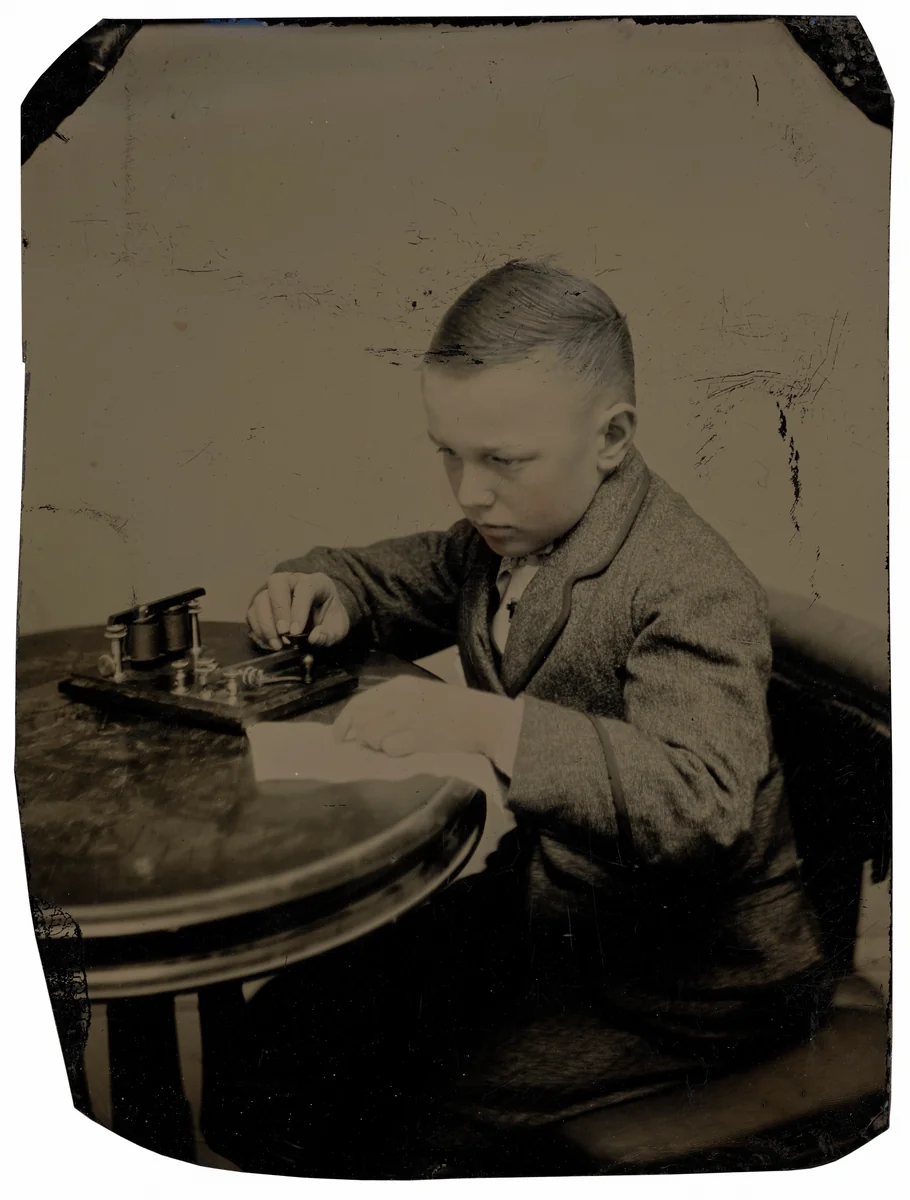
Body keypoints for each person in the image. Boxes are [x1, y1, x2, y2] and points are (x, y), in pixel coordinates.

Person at [230, 260, 830, 1178]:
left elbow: (704, 801)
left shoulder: (687, 581)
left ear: (613, 437)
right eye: (448, 453)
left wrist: (487, 727)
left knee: (379, 1104)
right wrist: (329, 588)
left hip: (689, 988)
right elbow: (396, 578)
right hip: (553, 917)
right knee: (277, 1031)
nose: (468, 493)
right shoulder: (515, 531)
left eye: (502, 460)